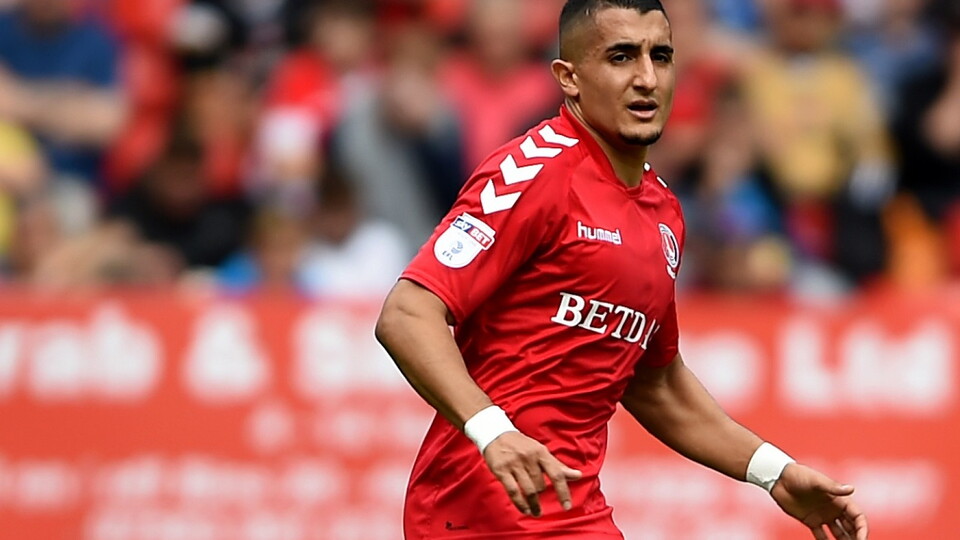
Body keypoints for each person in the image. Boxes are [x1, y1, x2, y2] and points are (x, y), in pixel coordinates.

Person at [375, 1, 868, 539]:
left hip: (573, 509)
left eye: (661, 56)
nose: (647, 78)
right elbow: (407, 314)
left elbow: (656, 383)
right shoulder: (535, 172)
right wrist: (493, 431)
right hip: (474, 510)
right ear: (569, 77)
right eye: (621, 57)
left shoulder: (662, 212)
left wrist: (774, 473)